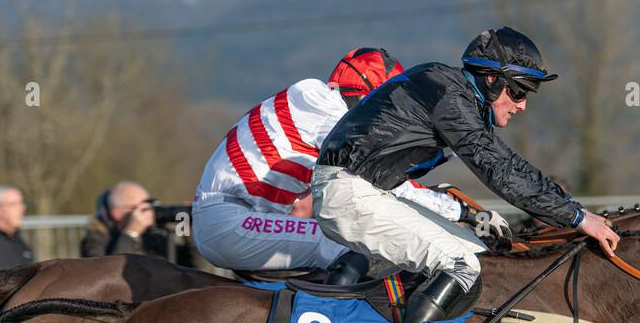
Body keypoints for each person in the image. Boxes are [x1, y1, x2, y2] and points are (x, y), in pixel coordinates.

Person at [312, 27, 621, 323]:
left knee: (473, 254)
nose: (524, 106)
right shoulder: (451, 96)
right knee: (462, 263)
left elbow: (501, 165)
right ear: (492, 79)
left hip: (365, 188)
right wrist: (579, 218)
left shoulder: (454, 93)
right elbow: (503, 172)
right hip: (349, 191)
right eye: (521, 91)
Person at [191, 47, 464, 285]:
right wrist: (455, 210)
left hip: (233, 217)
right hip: (230, 220)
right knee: (350, 244)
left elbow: (384, 176)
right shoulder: (327, 111)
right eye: (386, 106)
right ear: (367, 95)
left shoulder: (317, 100)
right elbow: (379, 179)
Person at [79, 181, 172, 259]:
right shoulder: (95, 239)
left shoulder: (152, 234)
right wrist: (131, 234)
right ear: (117, 213)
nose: (150, 212)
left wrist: (185, 231)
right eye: (142, 209)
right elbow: (110, 274)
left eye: (151, 205)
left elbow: (180, 261)